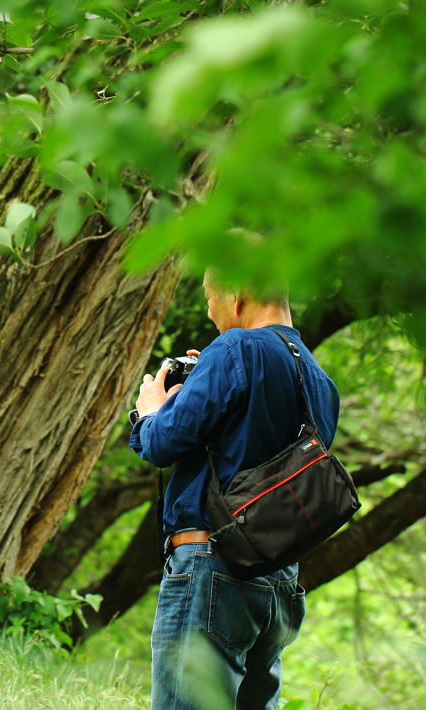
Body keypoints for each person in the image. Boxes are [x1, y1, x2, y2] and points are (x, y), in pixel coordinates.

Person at [129, 270, 340, 710]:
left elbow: (162, 442)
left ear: (239, 296)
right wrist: (208, 377)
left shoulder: (234, 348)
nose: (210, 312)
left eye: (212, 299)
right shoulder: (321, 381)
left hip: (212, 567)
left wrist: (151, 411)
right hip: (279, 581)